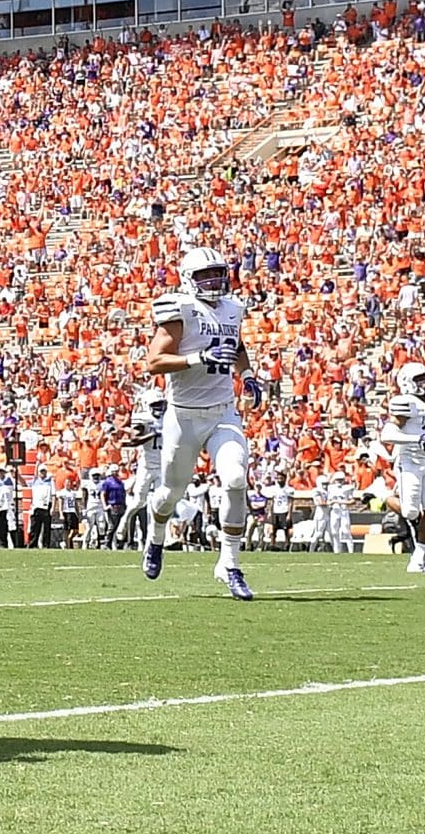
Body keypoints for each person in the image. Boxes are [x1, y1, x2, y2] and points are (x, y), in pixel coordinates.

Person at [138, 246, 254, 600]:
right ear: (189, 279)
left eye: (217, 272)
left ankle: (229, 564)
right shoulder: (180, 308)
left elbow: (236, 345)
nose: (213, 280)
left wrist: (247, 375)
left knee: (235, 478)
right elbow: (154, 362)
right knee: (170, 493)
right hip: (183, 414)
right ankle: (155, 538)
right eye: (204, 275)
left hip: (222, 412)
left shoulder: (233, 308)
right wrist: (197, 357)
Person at [382, 361, 425, 574]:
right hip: (409, 462)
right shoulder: (405, 402)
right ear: (407, 382)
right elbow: (387, 434)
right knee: (410, 511)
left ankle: (419, 559)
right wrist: (416, 438)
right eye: (420, 379)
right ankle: (389, 499)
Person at [119, 386, 165, 549]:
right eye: (155, 405)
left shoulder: (170, 418)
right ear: (147, 405)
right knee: (139, 501)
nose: (159, 408)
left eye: (161, 404)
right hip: (146, 466)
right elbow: (134, 440)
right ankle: (125, 520)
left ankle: (153, 541)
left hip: (163, 467)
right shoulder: (143, 418)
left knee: (160, 503)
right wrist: (153, 434)